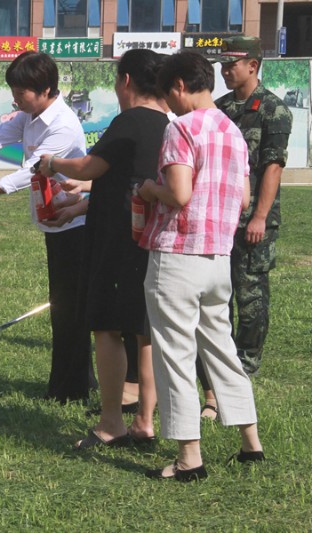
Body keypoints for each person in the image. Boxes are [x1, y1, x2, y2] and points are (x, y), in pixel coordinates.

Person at [0, 51, 94, 403]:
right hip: (55, 222)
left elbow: (35, 171)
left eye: (21, 91)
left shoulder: (63, 125)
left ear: (46, 89)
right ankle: (77, 383)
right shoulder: (31, 114)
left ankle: (71, 390)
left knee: (69, 309)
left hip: (74, 222)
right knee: (64, 307)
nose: (15, 98)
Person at [139, 51, 263, 481]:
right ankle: (251, 442)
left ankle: (189, 456)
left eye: (167, 95)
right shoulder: (233, 131)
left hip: (177, 256)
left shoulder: (181, 129)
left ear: (177, 86)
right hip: (218, 259)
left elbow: (178, 193)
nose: (168, 105)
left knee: (174, 354)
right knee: (221, 349)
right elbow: (244, 199)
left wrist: (150, 189)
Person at [39, 48, 167, 446]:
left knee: (107, 328)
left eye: (116, 80)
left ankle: (111, 422)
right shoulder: (169, 123)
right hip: (149, 236)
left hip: (116, 241)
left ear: (126, 80)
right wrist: (77, 206)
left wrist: (52, 164)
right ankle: (145, 420)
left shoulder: (130, 121)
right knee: (144, 331)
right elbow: (121, 182)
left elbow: (90, 167)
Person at [196, 36, 293, 420]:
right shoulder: (219, 109)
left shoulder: (272, 110)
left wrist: (258, 216)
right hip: (219, 219)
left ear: (253, 65)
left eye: (231, 64)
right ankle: (214, 384)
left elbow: (272, 167)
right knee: (217, 300)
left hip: (254, 224)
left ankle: (244, 371)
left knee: (251, 300)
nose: (224, 70)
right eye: (221, 64)